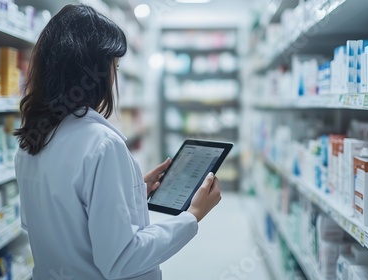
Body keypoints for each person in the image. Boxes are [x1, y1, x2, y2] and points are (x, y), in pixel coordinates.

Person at [13, 4, 221, 280]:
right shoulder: (101, 145)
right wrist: (192, 215)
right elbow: (123, 260)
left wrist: (131, 190)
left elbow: (42, 221)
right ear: (93, 71)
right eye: (114, 66)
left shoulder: (31, 138)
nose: (113, 76)